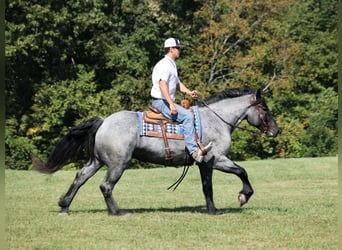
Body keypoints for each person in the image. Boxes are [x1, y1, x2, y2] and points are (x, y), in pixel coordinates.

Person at [150, 38, 212, 163]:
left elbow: (177, 83)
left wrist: (189, 92)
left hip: (165, 101)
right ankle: (194, 152)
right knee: (188, 116)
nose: (179, 50)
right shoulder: (165, 65)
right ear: (171, 49)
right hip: (161, 102)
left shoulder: (171, 64)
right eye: (178, 48)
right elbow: (162, 84)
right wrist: (172, 105)